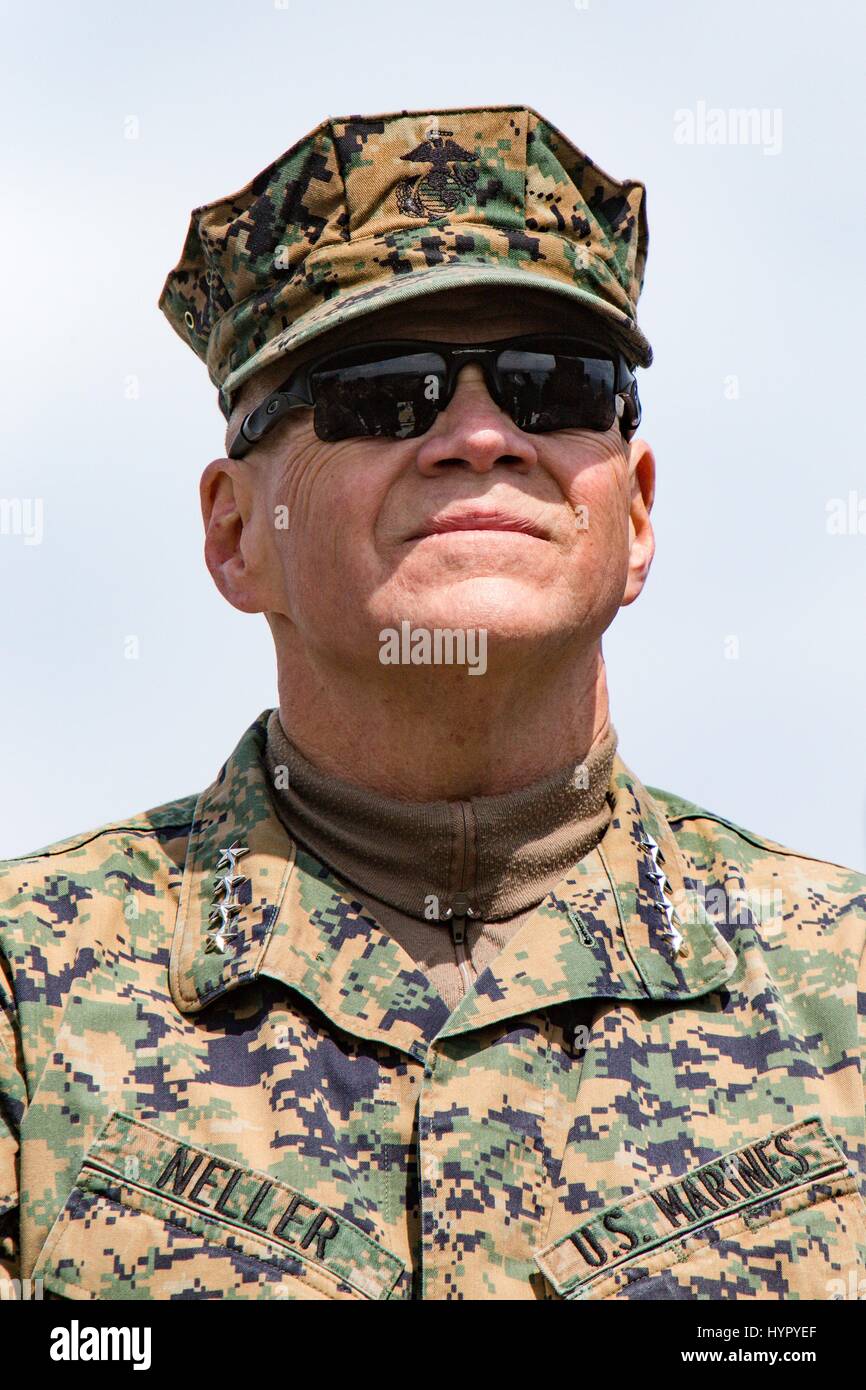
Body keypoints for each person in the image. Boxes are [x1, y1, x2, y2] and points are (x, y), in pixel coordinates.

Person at [1, 106, 864, 1302]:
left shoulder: (842, 989)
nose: (476, 436)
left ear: (637, 515)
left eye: (553, 387)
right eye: (379, 393)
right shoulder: (28, 994)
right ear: (235, 531)